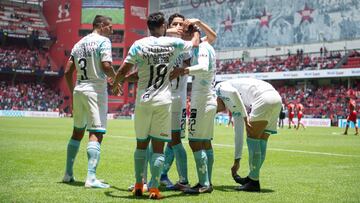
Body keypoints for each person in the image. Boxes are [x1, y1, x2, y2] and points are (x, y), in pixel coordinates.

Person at [112, 12, 199, 199]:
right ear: (163, 26)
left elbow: (124, 69)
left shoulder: (138, 45)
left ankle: (138, 184)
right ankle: (154, 189)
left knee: (141, 145)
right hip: (163, 101)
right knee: (158, 148)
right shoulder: (172, 43)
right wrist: (196, 31)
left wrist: (116, 82)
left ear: (148, 27)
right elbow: (193, 44)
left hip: (143, 100)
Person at [160, 13, 217, 191]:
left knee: (193, 142)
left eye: (182, 28)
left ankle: (202, 182)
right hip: (200, 98)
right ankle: (205, 181)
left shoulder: (200, 47)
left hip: (198, 100)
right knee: (203, 142)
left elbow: (203, 67)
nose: (179, 31)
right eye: (175, 26)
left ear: (190, 34)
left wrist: (183, 71)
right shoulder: (194, 46)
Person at [62, 15, 115, 188]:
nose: (112, 30)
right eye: (109, 26)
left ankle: (68, 174)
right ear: (100, 25)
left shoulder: (79, 44)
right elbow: (106, 66)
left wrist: (72, 92)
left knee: (77, 132)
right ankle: (91, 178)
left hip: (79, 89)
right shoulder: (103, 41)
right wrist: (117, 80)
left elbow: (68, 71)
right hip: (95, 91)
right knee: (96, 133)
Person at [215, 78, 282, 192]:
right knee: (262, 141)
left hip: (263, 98)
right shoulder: (233, 101)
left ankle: (254, 182)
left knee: (253, 139)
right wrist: (237, 160)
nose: (216, 109)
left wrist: (246, 118)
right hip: (276, 98)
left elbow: (233, 93)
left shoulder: (219, 87)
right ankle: (252, 177)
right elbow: (239, 131)